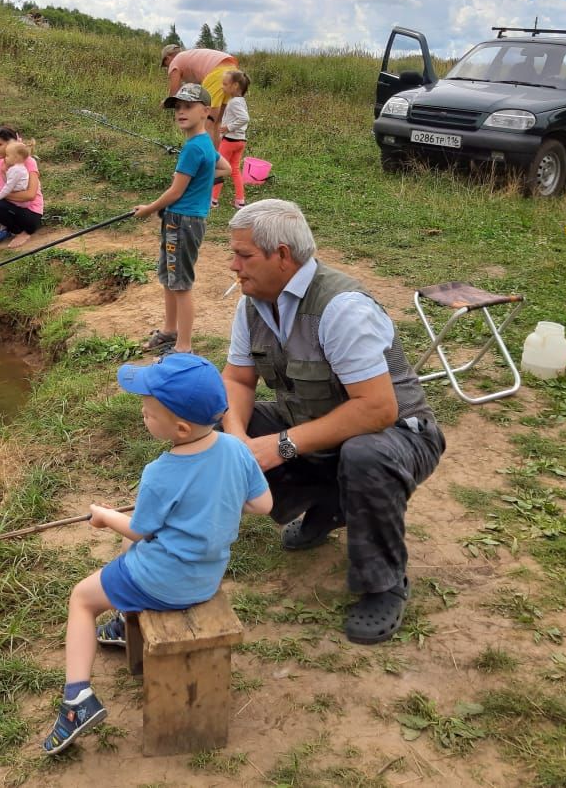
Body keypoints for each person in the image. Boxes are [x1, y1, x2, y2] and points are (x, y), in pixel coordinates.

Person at [220, 199, 445, 645]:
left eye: (243, 255)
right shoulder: (252, 304)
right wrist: (238, 438)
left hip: (398, 435)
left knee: (365, 455)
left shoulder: (341, 307)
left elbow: (377, 409)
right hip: (315, 428)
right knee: (209, 427)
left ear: (282, 255)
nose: (233, 266)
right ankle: (333, 502)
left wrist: (279, 445)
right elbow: (238, 380)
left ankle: (384, 584)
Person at [42, 354, 272, 755]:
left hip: (164, 581)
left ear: (180, 428)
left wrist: (104, 516)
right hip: (205, 577)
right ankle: (123, 624)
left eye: (148, 412)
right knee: (131, 550)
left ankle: (76, 699)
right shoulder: (236, 450)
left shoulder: (161, 472)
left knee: (81, 598)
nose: (143, 416)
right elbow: (263, 505)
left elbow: (139, 528)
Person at [133, 84, 231, 355]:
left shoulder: (193, 148)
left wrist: (149, 209)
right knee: (169, 277)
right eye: (177, 108)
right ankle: (169, 330)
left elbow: (175, 191)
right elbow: (226, 168)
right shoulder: (203, 144)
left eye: (188, 106)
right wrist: (202, 179)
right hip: (183, 220)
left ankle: (184, 346)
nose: (181, 112)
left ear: (206, 111)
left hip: (182, 221)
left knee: (181, 283)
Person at [161, 44, 238, 145]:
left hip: (217, 73)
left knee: (207, 123)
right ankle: (215, 157)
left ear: (167, 58)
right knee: (217, 123)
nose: (168, 68)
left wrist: (164, 104)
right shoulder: (190, 58)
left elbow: (173, 94)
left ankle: (205, 157)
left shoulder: (175, 62)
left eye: (166, 65)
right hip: (233, 71)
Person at [211, 69, 250, 210]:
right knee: (234, 170)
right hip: (240, 141)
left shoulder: (234, 102)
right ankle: (240, 201)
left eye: (225, 84)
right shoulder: (241, 101)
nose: (223, 86)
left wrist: (228, 127)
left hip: (230, 141)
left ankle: (213, 199)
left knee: (219, 168)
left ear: (235, 86)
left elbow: (245, 118)